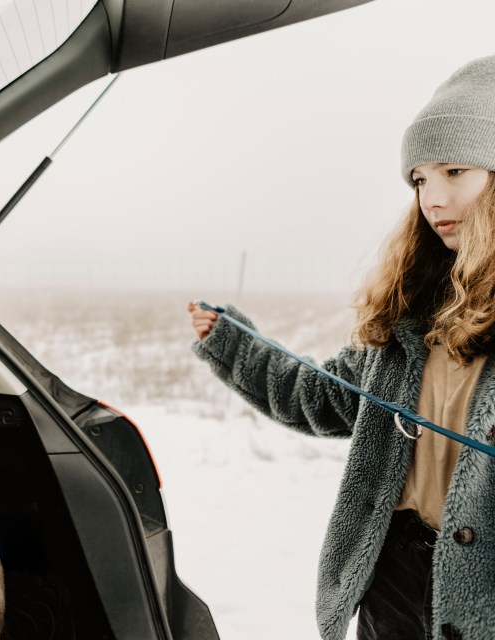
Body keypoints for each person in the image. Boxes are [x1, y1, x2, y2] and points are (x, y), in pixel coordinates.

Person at [188, 54, 495, 640]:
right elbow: (326, 398)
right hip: (394, 572)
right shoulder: (412, 311)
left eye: (455, 171)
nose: (432, 198)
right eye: (421, 180)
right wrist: (235, 346)